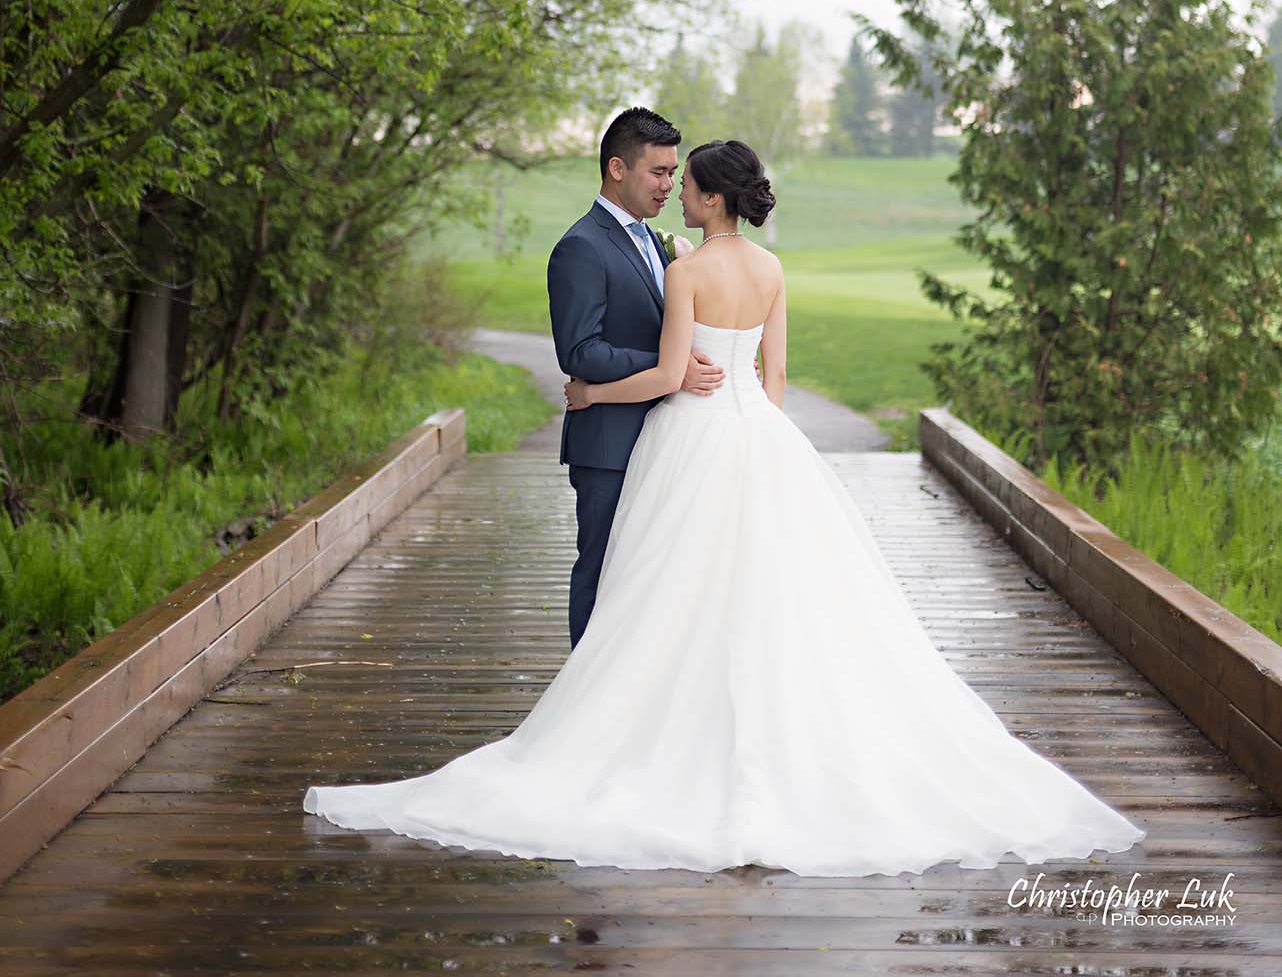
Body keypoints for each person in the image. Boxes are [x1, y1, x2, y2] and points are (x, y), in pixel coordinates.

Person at [304, 138, 1146, 876]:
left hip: (691, 439)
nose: (678, 189)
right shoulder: (771, 268)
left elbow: (673, 377)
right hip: (761, 441)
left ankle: (643, 726)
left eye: (687, 181)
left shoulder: (688, 270)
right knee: (768, 593)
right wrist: (740, 413)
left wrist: (592, 392)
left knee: (668, 588)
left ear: (708, 196)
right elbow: (775, 385)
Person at [545, 104, 720, 647]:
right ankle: (580, 706)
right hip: (609, 444)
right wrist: (668, 367)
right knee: (600, 574)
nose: (670, 184)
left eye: (674, 174)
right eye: (659, 172)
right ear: (617, 169)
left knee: (650, 582)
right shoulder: (581, 246)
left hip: (665, 441)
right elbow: (581, 352)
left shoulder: (654, 240)